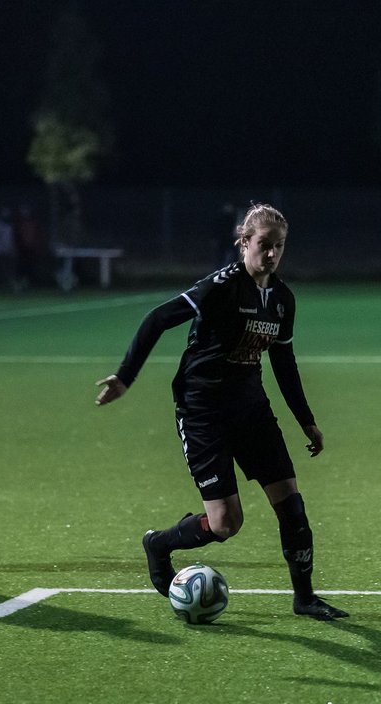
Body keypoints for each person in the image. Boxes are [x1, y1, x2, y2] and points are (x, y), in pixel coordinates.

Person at [94, 203, 347, 620]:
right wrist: (125, 376)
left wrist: (307, 419)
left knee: (292, 504)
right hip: (203, 411)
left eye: (279, 246)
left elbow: (283, 362)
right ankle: (159, 543)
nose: (271, 254)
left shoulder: (281, 300)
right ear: (244, 243)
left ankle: (305, 598)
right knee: (227, 524)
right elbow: (158, 319)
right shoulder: (221, 287)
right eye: (263, 245)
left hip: (251, 410)